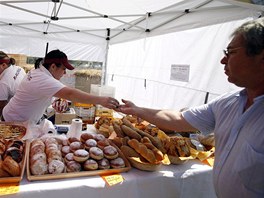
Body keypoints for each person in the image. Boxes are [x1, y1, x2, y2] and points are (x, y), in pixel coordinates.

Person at [117, 17, 264, 197]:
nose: (223, 60)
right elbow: (179, 119)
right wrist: (137, 110)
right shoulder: (229, 102)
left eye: (231, 52)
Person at [2, 49, 119, 124]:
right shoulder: (42, 78)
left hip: (16, 116)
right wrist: (101, 100)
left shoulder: (38, 71)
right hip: (14, 121)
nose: (64, 73)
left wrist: (56, 99)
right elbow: (70, 93)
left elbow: (43, 92)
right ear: (53, 66)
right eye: (63, 69)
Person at [0, 52, 26, 117]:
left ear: (3, 65)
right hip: (28, 108)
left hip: (17, 114)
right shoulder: (19, 68)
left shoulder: (3, 82)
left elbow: (2, 108)